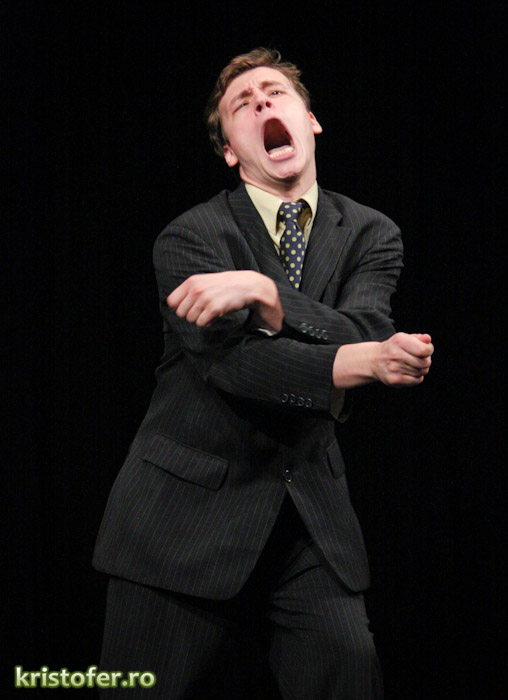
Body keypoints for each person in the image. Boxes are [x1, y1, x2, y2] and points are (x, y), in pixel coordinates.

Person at [93, 47, 433, 699]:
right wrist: (361, 361)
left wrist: (265, 294)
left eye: (275, 93)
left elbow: (367, 325)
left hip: (309, 521)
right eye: (241, 104)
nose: (261, 104)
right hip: (179, 518)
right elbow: (237, 365)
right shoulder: (190, 237)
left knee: (349, 669)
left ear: (311, 121)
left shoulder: (371, 232)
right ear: (230, 151)